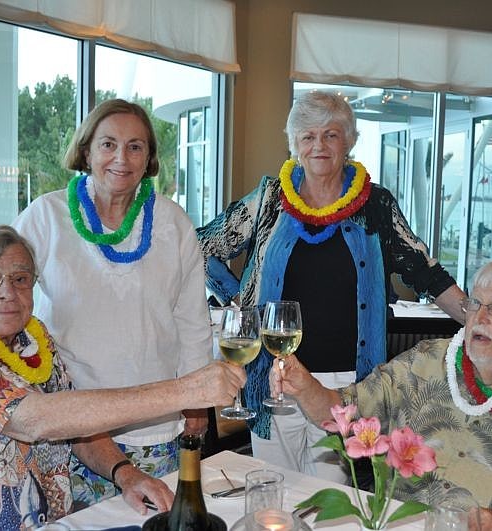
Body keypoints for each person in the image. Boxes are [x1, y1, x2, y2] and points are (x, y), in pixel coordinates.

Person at [0, 99, 214, 506]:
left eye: (135, 146)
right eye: (108, 144)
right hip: (68, 422)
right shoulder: (47, 214)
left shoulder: (173, 222)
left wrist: (195, 402)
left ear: (150, 157)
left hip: (156, 426)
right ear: (86, 150)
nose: (121, 157)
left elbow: (192, 318)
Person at [0, 220, 246, 529]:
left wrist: (124, 474)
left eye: (20, 279)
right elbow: (35, 419)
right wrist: (186, 391)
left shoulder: (34, 341)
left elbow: (76, 427)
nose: (7, 291)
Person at [197, 90, 467, 482]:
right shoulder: (271, 198)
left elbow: (425, 272)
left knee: (333, 499)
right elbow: (203, 246)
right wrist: (241, 300)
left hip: (349, 387)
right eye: (307, 136)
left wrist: (476, 317)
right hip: (277, 377)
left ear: (349, 142)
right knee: (273, 490)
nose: (318, 145)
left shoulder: (376, 205)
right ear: (295, 145)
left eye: (331, 134)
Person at [271, 260, 492, 530]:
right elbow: (345, 411)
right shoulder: (427, 362)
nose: (480, 317)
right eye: (475, 303)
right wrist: (304, 386)